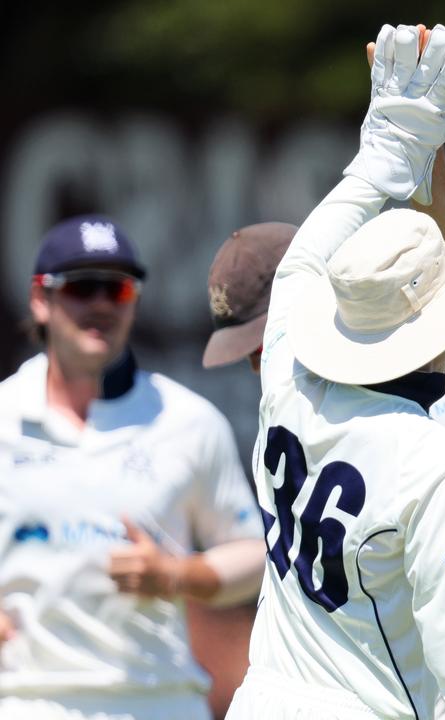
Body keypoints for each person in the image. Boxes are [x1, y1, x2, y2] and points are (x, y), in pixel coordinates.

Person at [224, 24, 445, 719]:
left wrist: (388, 148)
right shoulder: (438, 459)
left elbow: (302, 262)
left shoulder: (286, 378)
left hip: (262, 700)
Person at [202, 219, 445, 720]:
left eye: (260, 347)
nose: (258, 364)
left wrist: (389, 150)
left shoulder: (285, 392)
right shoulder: (438, 456)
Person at [0, 214, 265, 719]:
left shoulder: (187, 421)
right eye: (83, 287)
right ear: (41, 298)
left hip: (156, 701)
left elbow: (253, 554)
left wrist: (174, 575)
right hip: (27, 701)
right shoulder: (4, 415)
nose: (101, 304)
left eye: (117, 290)